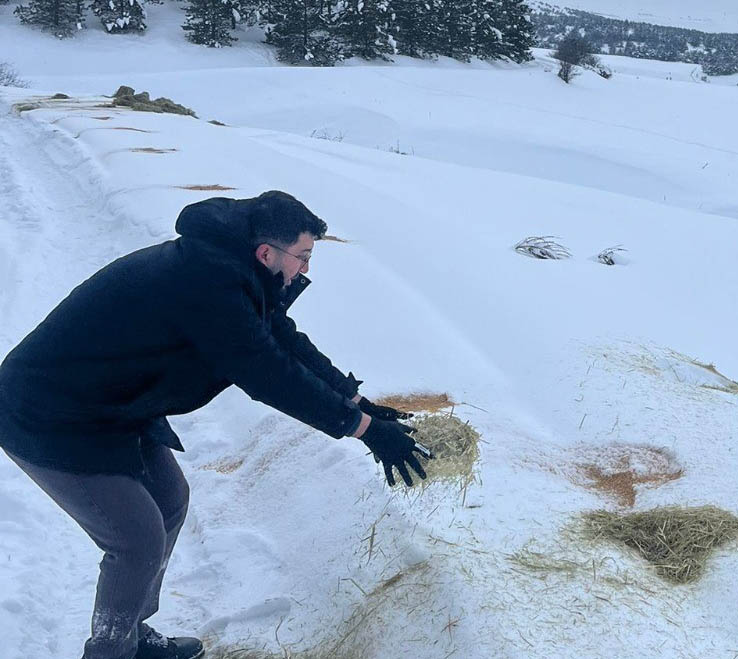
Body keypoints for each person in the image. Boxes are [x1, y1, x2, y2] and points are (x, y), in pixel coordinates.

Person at [0, 191, 431, 659]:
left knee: (170, 501)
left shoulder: (233, 268)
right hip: (45, 413)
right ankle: (109, 652)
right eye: (303, 257)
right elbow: (267, 372)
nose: (306, 270)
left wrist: (357, 401)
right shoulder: (208, 285)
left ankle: (133, 636)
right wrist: (360, 428)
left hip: (111, 404)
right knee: (136, 538)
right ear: (268, 252)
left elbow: (281, 339)